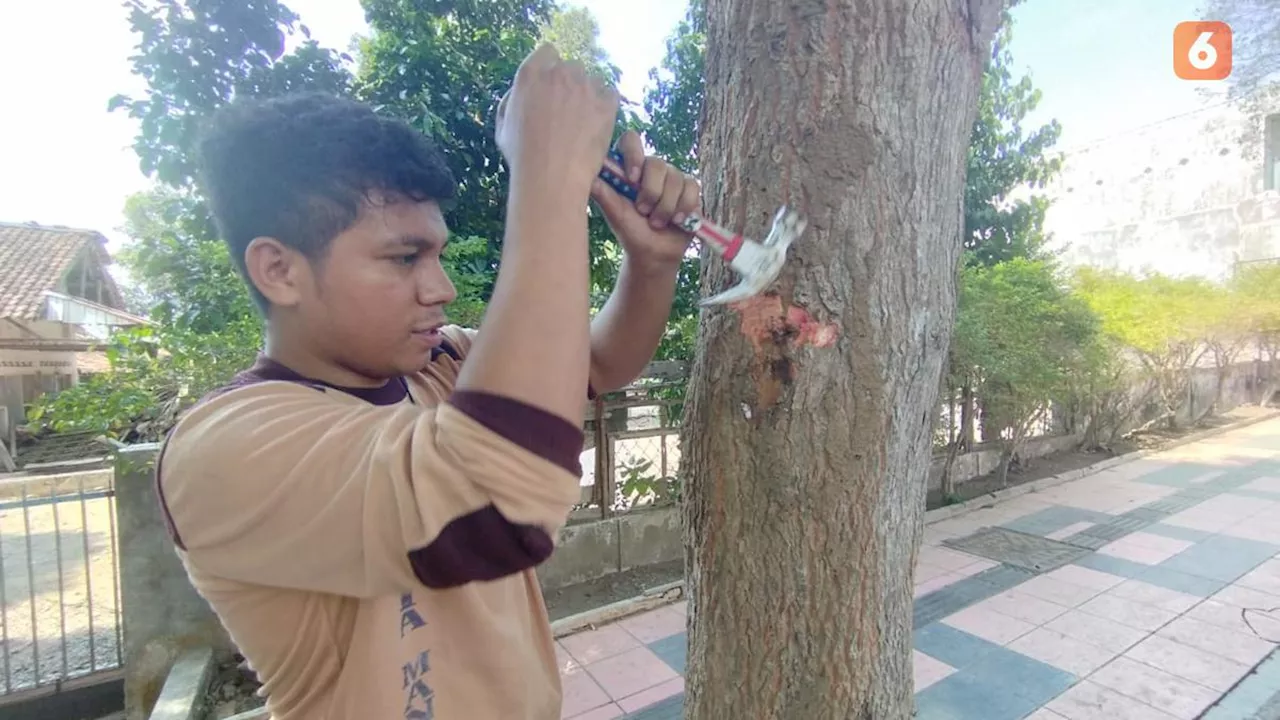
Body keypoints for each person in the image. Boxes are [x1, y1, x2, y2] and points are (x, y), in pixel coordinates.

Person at [154, 43, 700, 720]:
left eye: (436, 253)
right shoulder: (226, 448)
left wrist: (651, 264)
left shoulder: (442, 365)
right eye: (404, 257)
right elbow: (503, 507)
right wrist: (549, 177)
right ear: (279, 270)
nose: (440, 288)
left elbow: (595, 362)